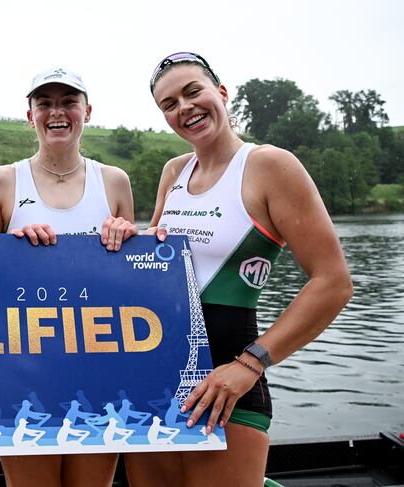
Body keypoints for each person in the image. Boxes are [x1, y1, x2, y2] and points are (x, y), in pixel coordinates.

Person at [123, 52, 352, 486]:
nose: (184, 108)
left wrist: (250, 365)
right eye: (169, 104)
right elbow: (153, 262)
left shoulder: (269, 165)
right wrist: (122, 234)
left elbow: (333, 282)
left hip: (228, 384)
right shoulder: (174, 171)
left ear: (222, 93)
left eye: (193, 92)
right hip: (154, 378)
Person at [0, 68, 135, 487]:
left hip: (99, 369)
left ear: (87, 111)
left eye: (68, 102)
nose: (57, 112)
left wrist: (130, 236)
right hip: (21, 370)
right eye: (45, 103)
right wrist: (9, 249)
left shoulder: (115, 181)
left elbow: (131, 284)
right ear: (30, 115)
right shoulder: (2, 181)